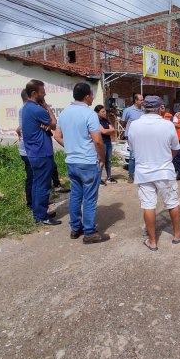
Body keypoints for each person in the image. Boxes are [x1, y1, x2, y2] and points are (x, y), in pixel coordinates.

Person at [128, 95, 180, 251]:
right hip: (164, 171)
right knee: (172, 202)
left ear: (144, 108)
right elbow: (175, 149)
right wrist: (165, 158)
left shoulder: (134, 125)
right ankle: (177, 234)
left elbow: (132, 147)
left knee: (148, 205)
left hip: (143, 172)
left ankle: (152, 241)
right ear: (160, 107)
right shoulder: (167, 125)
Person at [54, 82, 109, 244]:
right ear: (86, 96)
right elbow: (98, 141)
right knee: (90, 198)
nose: (92, 98)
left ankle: (75, 227)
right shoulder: (89, 114)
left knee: (76, 196)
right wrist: (103, 158)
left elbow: (57, 136)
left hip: (72, 162)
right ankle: (90, 232)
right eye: (92, 95)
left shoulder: (64, 113)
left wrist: (71, 147)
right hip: (88, 162)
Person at [20, 79, 61, 225]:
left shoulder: (26, 108)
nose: (45, 95)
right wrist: (47, 107)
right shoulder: (37, 109)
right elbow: (54, 124)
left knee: (37, 184)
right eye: (42, 92)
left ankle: (39, 213)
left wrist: (44, 125)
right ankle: (42, 216)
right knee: (43, 185)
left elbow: (44, 125)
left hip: (33, 152)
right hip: (41, 152)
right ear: (33, 93)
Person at [121, 93, 145, 183]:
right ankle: (131, 175)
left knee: (142, 155)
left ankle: (140, 174)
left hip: (142, 136)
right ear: (136, 101)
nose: (142, 101)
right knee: (133, 156)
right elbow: (123, 123)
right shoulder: (128, 110)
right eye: (141, 100)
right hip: (132, 136)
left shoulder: (144, 110)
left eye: (143, 99)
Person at [16, 90, 32, 209]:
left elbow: (18, 129)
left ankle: (33, 202)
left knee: (33, 177)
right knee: (32, 178)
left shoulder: (23, 110)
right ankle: (31, 203)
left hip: (26, 149)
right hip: (28, 151)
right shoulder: (27, 109)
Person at [94, 104, 117, 185]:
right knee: (101, 161)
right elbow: (103, 131)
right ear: (97, 113)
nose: (104, 113)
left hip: (108, 142)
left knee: (108, 160)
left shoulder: (106, 120)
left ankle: (109, 177)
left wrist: (108, 131)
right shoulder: (96, 121)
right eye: (102, 111)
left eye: (105, 111)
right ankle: (98, 179)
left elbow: (113, 130)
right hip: (101, 143)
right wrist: (108, 131)